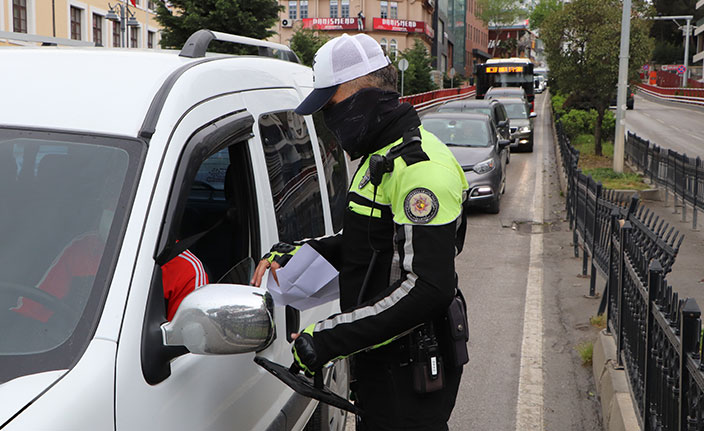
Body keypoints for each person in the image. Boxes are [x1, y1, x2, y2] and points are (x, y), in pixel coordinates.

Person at [252, 34, 469, 431]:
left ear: (361, 93)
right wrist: (299, 251)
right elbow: (369, 243)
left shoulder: (420, 167)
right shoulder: (380, 155)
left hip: (411, 372)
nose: (329, 120)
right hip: (380, 360)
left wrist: (328, 338)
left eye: (331, 106)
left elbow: (429, 287)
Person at [12, 215, 208, 323]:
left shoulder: (187, 269)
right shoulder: (81, 248)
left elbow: (186, 350)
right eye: (109, 203)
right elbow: (32, 312)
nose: (114, 211)